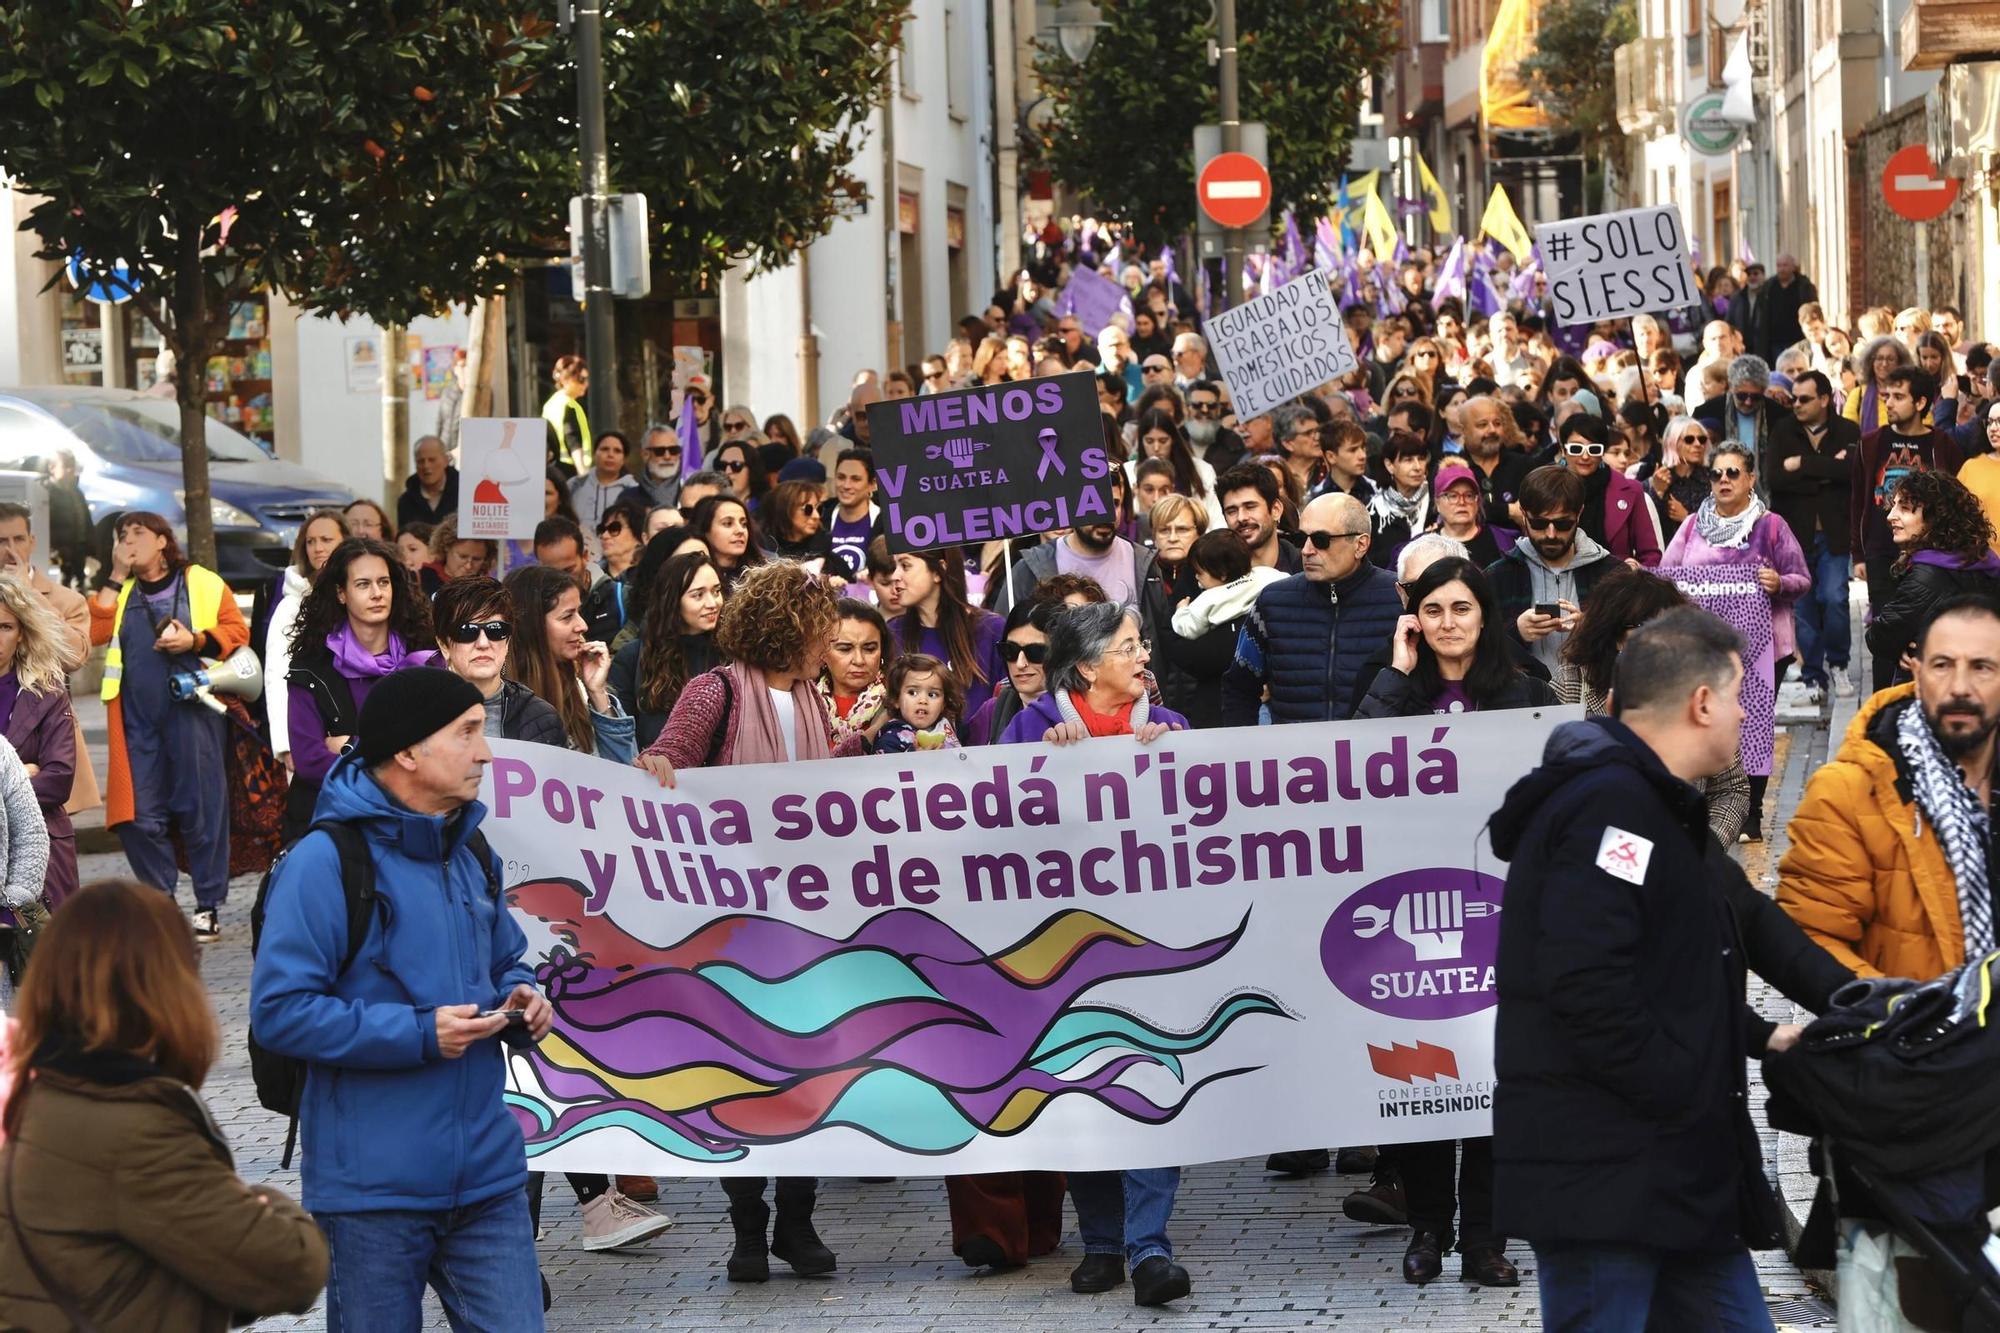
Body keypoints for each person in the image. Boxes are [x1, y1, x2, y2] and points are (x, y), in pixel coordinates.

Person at [1490, 607, 1852, 1329]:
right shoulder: (1607, 808)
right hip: (1605, 1173)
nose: (1752, 712)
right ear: (1702, 702)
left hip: (1674, 1171)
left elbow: (1746, 919)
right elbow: (1587, 987)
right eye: (1744, 696)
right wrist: (1685, 1079)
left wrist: (1857, 1001)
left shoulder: (1656, 807)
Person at [250, 669, 551, 1331]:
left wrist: (523, 997)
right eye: (467, 733)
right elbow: (279, 1011)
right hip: (371, 1194)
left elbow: (504, 961)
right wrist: (418, 1033)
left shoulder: (470, 847)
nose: (486, 752)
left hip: (487, 1178)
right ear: (407, 751)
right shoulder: (325, 862)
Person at [635, 563, 863, 1282]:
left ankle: (797, 1219)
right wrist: (662, 769)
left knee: (808, 1068)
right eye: (820, 625)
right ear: (791, 626)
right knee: (744, 1073)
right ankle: (748, 1227)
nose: (828, 638)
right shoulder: (717, 691)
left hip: (808, 917)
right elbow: (670, 756)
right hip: (734, 921)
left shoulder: (813, 699)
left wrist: (859, 746)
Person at [1, 880, 329, 1329]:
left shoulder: (37, 1094)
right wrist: (262, 1199)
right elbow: (292, 1266)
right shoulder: (135, 1128)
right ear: (163, 986)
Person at [1353, 557, 1550, 1288]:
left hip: (1499, 914)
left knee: (1493, 1081)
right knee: (1425, 1078)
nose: (1446, 623)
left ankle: (1486, 1239)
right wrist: (1397, 671)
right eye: (1432, 609)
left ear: (1485, 615)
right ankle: (1428, 1227)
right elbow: (1348, 764)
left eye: (1461, 608)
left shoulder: (1527, 692)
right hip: (1409, 911)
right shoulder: (1395, 689)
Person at [993, 602, 1191, 1305]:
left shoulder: (1171, 727)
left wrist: (1174, 758)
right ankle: (1102, 1241)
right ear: (1087, 666)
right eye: (1130, 647)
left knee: (1146, 1087)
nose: (1143, 658)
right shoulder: (1027, 727)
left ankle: (1149, 1247)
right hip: (1061, 951)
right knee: (1081, 1092)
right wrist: (1040, 763)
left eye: (1141, 646)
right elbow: (990, 823)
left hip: (1148, 943)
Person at [1781, 593, 2000, 980]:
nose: (1960, 686)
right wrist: (1905, 1018)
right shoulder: (1847, 792)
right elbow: (1811, 937)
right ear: (1915, 670)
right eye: (1942, 665)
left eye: (1982, 667)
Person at [88, 511, 247, 943]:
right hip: (136, 719)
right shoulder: (119, 590)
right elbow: (96, 631)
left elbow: (237, 632)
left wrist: (193, 641)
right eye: (122, 536)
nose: (128, 540)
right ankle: (161, 902)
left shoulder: (201, 581)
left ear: (162, 541)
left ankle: (207, 905)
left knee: (203, 809)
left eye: (138, 533)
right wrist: (116, 574)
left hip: (194, 712)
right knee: (135, 817)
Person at [1661, 443, 1810, 839]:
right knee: (1705, 722)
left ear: (1750, 479)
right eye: (1716, 474)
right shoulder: (1692, 525)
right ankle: (1710, 806)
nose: (1724, 480)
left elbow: (1801, 579)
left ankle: (1752, 813)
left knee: (1752, 726)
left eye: (1732, 473)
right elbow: (1665, 573)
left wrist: (1780, 583)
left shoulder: (1772, 525)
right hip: (1702, 651)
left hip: (1763, 650)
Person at [1555, 567, 1753, 844]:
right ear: (1614, 635)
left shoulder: (1698, 687)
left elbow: (1731, 788)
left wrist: (1705, 847)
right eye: (1643, 629)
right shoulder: (1573, 682)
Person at [284, 536, 437, 845]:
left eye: (384, 582)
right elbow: (310, 761)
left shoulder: (423, 659)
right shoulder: (312, 667)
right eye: (363, 584)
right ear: (341, 593)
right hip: (330, 823)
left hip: (408, 819)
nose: (377, 593)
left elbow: (432, 747)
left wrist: (348, 748)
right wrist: (392, 763)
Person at [1221, 493, 1401, 725]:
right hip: (1296, 757)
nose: (1306, 550)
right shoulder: (1273, 601)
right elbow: (1239, 687)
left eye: (1320, 540)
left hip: (1381, 756)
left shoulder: (1399, 598)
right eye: (1301, 538)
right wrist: (1245, 750)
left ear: (1361, 544)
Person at [1853, 366, 1967, 640]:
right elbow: (1858, 500)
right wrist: (1858, 554)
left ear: (1920, 402)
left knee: (1929, 633)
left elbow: (1956, 501)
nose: (1889, 403)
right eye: (1887, 396)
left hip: (1931, 554)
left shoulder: (1942, 444)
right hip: (1882, 552)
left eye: (1898, 396)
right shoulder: (1870, 443)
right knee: (1884, 634)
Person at [1864, 471, 2000, 687]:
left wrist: (1907, 645)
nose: (1891, 516)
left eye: (1905, 509)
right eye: (1894, 505)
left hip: (1932, 693)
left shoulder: (1927, 576)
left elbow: (1879, 637)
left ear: (1934, 519)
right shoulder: (1984, 561)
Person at [1773, 369, 1861, 701]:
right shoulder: (1784, 431)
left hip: (1835, 533)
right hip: (1796, 535)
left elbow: (1851, 472)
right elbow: (1777, 480)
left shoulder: (1847, 431)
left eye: (1805, 398)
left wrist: (1804, 465)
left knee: (1835, 598)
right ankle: (1813, 673)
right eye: (1794, 398)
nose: (1797, 404)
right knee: (1804, 608)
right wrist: (1827, 468)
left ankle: (1838, 663)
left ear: (1824, 399)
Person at [1486, 466, 1616, 674]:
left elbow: (1635, 647)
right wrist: (1515, 633)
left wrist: (1592, 630)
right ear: (1523, 514)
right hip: (1523, 700)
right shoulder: (1498, 576)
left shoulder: (1613, 574)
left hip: (1594, 696)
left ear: (1579, 513)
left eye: (1563, 524)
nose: (1551, 534)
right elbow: (1476, 650)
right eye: (1539, 523)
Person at [0, 573, 80, 908]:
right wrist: (20, 775)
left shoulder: (47, 692)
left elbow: (59, 778)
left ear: (21, 635)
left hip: (38, 851)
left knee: (34, 959)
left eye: (4, 627)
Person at [502, 564, 636, 763]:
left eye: (579, 612)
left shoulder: (580, 689)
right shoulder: (497, 698)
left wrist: (597, 693)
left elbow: (623, 769)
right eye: (567, 616)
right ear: (532, 627)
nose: (582, 625)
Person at [610, 551, 724, 749]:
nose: (712, 603)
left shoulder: (732, 653)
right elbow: (623, 739)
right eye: (698, 595)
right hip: (655, 775)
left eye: (716, 591)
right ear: (673, 601)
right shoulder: (633, 657)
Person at [433, 577, 564, 748]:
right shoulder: (416, 713)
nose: (483, 644)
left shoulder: (542, 718)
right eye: (467, 632)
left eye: (496, 630)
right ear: (444, 645)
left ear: (507, 642)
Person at [264, 510, 348, 776]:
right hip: (306, 729)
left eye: (326, 539)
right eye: (310, 541)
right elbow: (277, 674)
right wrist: (286, 743)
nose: (317, 548)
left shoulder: (360, 596)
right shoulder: (291, 605)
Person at [891, 548, 1007, 714]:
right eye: (895, 566)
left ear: (940, 570)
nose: (895, 575)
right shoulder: (892, 633)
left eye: (905, 565)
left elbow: (1008, 704)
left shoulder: (992, 629)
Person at [1556, 415, 1662, 568]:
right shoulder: (1546, 488)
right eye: (1576, 449)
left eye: (1594, 449)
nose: (1585, 456)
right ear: (1563, 450)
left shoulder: (1631, 490)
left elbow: (1650, 555)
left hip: (1615, 587)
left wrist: (1635, 574)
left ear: (1602, 452)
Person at [0, 502, 88, 670]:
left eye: (19, 539)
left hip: (41, 695)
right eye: (1, 541)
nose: (11, 549)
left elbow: (74, 659)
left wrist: (32, 595)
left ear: (31, 542)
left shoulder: (69, 600)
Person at [817, 597, 890, 749]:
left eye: (869, 648)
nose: (859, 660)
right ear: (821, 652)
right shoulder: (804, 702)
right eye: (845, 649)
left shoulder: (901, 701)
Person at [1214, 464, 1304, 574]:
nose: (1241, 518)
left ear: (1276, 509)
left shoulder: (1306, 569)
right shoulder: (1212, 573)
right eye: (1232, 511)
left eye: (1250, 506)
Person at [873, 651, 961, 751]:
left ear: (943, 704)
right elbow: (885, 766)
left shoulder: (947, 729)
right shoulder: (889, 739)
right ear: (896, 699)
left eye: (932, 695)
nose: (923, 700)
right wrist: (916, 759)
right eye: (912, 693)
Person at [822, 448, 880, 576]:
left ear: (873, 484)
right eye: (841, 477)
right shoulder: (819, 518)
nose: (846, 485)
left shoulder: (887, 523)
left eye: (855, 479)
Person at [687, 494, 763, 589]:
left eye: (744, 524)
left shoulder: (764, 576)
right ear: (705, 530)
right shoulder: (689, 577)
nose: (740, 530)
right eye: (728, 524)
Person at [41, 450, 92, 590]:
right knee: (62, 585)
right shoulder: (46, 492)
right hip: (60, 551)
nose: (70, 471)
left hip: (78, 547)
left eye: (72, 467)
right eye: (66, 466)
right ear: (52, 467)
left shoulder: (76, 492)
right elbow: (44, 525)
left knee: (80, 583)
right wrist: (55, 548)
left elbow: (85, 519)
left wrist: (91, 545)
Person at [396, 435, 459, 529]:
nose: (426, 466)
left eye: (432, 460)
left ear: (446, 461)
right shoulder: (406, 502)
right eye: (421, 461)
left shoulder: (463, 494)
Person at [542, 353, 591, 472]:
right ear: (566, 379)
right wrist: (583, 474)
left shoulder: (550, 404)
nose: (585, 384)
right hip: (571, 470)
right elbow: (572, 441)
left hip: (553, 466)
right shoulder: (569, 405)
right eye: (581, 379)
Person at [633, 424, 684, 509]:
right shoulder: (629, 498)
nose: (667, 456)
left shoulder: (694, 492)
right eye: (659, 451)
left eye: (673, 450)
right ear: (645, 454)